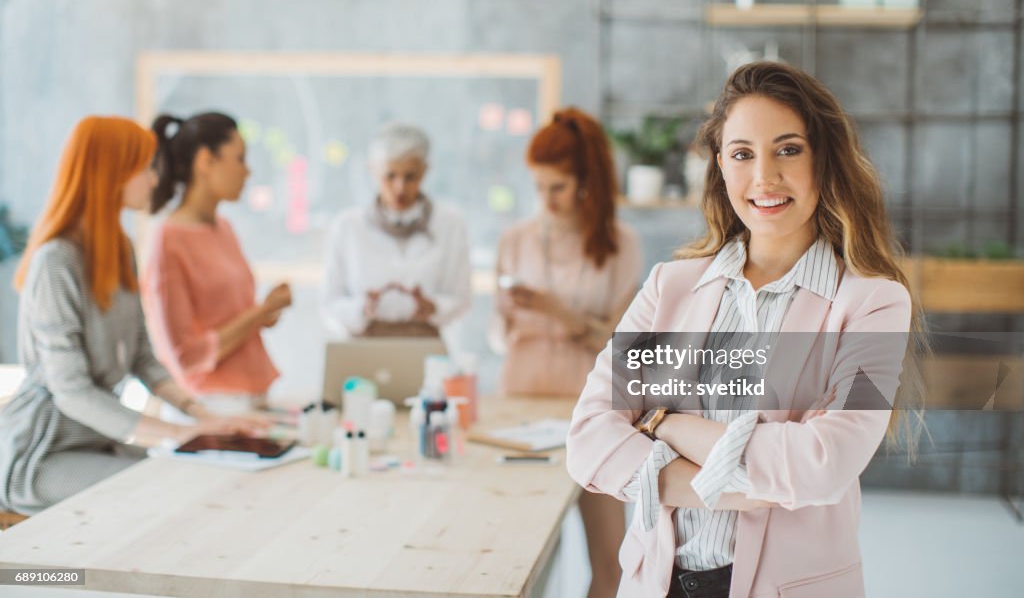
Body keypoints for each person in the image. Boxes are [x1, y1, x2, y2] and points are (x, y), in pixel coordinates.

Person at [565, 61, 922, 598]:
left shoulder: (874, 306)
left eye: (788, 149)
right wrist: (730, 489)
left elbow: (824, 463)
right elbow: (590, 437)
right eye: (742, 154)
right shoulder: (670, 289)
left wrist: (665, 424)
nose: (764, 178)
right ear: (721, 166)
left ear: (823, 159)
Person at [0, 116, 267, 515]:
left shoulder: (120, 248)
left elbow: (144, 357)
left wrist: (204, 417)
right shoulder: (56, 261)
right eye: (145, 168)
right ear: (111, 173)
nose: (155, 180)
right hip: (41, 455)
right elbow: (71, 391)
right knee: (158, 494)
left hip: (97, 443)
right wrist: (178, 433)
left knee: (195, 480)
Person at [491, 107, 643, 598]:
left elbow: (622, 349)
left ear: (585, 182)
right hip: (522, 405)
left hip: (595, 412)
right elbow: (498, 335)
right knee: (514, 560)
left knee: (612, 562)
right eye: (537, 187)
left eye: (556, 187)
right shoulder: (514, 240)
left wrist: (557, 311)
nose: (546, 200)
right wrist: (508, 319)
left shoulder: (622, 246)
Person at [141, 112, 291, 415]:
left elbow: (227, 317)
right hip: (208, 406)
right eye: (239, 159)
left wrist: (265, 313)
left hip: (252, 398)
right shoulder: (168, 241)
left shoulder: (224, 228)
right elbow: (185, 356)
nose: (247, 172)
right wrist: (258, 312)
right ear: (206, 161)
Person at [321, 123, 471, 342]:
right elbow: (329, 303)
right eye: (390, 176)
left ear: (425, 171)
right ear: (372, 170)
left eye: (410, 177)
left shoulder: (451, 224)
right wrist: (362, 308)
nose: (399, 187)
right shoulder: (347, 227)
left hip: (424, 348)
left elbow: (460, 299)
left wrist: (433, 307)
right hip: (361, 350)